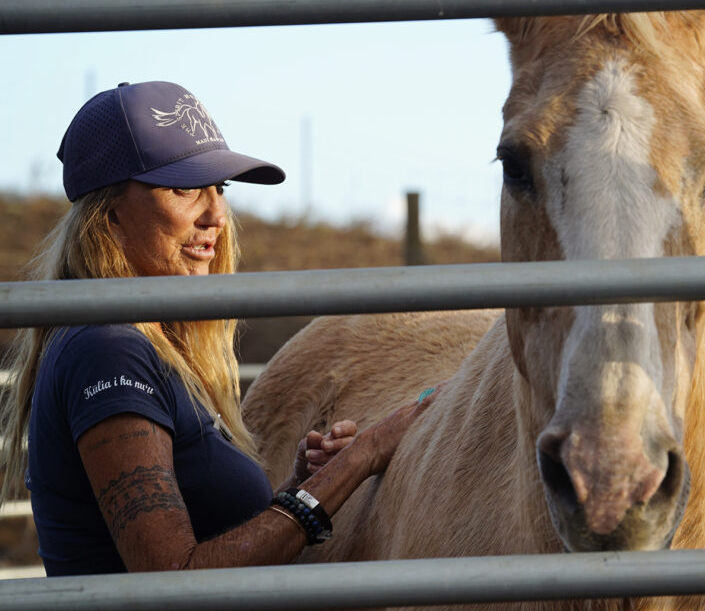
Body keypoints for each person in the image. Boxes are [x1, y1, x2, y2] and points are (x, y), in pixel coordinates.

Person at [0, 80, 436, 575]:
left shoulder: (149, 346)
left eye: (219, 189)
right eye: (184, 188)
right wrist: (360, 460)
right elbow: (174, 576)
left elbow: (207, 539)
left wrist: (300, 488)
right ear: (112, 212)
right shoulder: (107, 349)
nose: (217, 215)